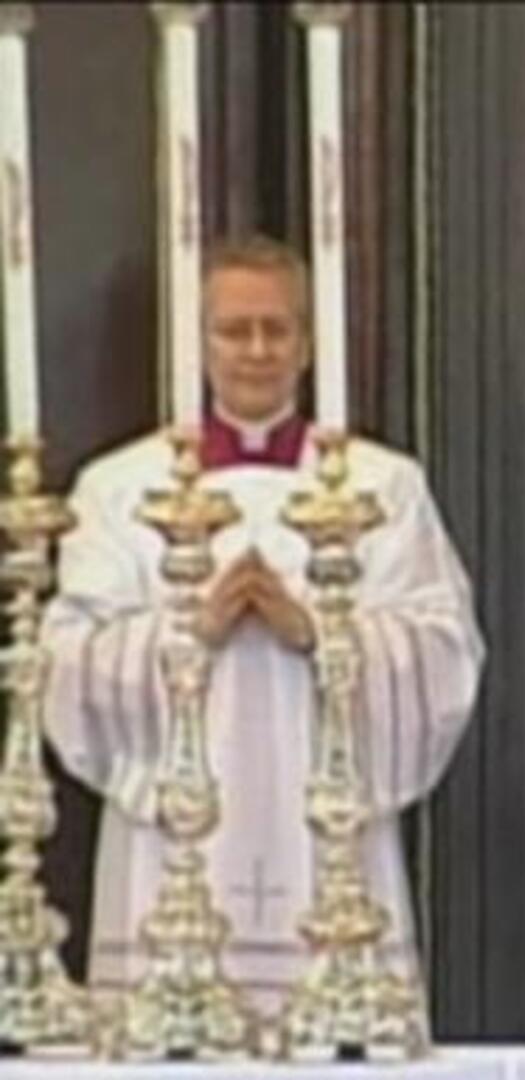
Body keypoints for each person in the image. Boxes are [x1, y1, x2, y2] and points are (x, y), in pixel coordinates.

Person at [42, 235, 485, 1013]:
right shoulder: (120, 488)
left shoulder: (382, 486)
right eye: (233, 330)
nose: (256, 351)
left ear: (309, 343)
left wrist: (317, 630)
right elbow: (68, 661)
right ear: (197, 341)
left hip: (325, 837)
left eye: (277, 330)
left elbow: (443, 651)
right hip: (172, 851)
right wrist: (192, 629)